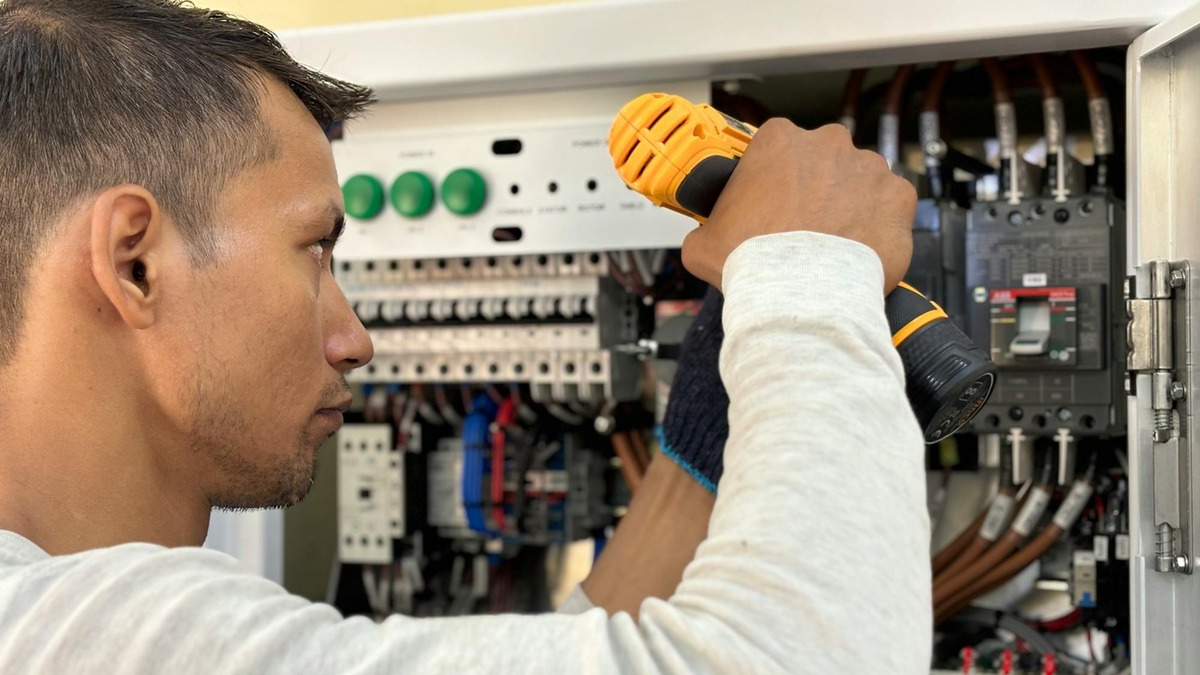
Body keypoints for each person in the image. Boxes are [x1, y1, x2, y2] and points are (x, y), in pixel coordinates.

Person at [0, 0, 929, 672]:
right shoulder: (94, 635)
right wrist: (808, 272)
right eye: (315, 248)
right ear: (134, 263)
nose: (354, 336)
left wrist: (701, 449)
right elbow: (800, 655)